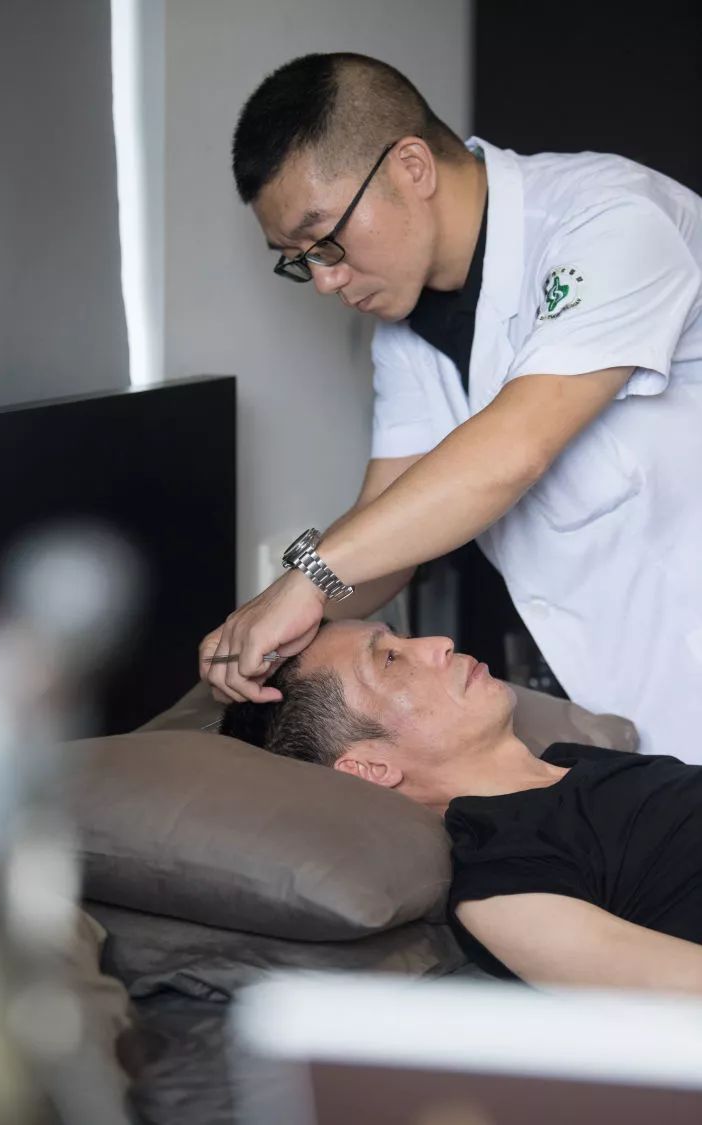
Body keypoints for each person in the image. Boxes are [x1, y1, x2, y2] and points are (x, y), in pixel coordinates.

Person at [200, 52, 702, 762]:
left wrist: (306, 577)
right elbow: (390, 536)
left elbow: (514, 448)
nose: (324, 280)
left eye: (326, 239)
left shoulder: (611, 219)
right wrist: (262, 631)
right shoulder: (405, 327)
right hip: (632, 715)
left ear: (412, 166)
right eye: (298, 257)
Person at [220, 619, 702, 994]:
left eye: (403, 638)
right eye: (390, 659)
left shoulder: (576, 763)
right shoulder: (503, 878)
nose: (440, 643)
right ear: (369, 766)